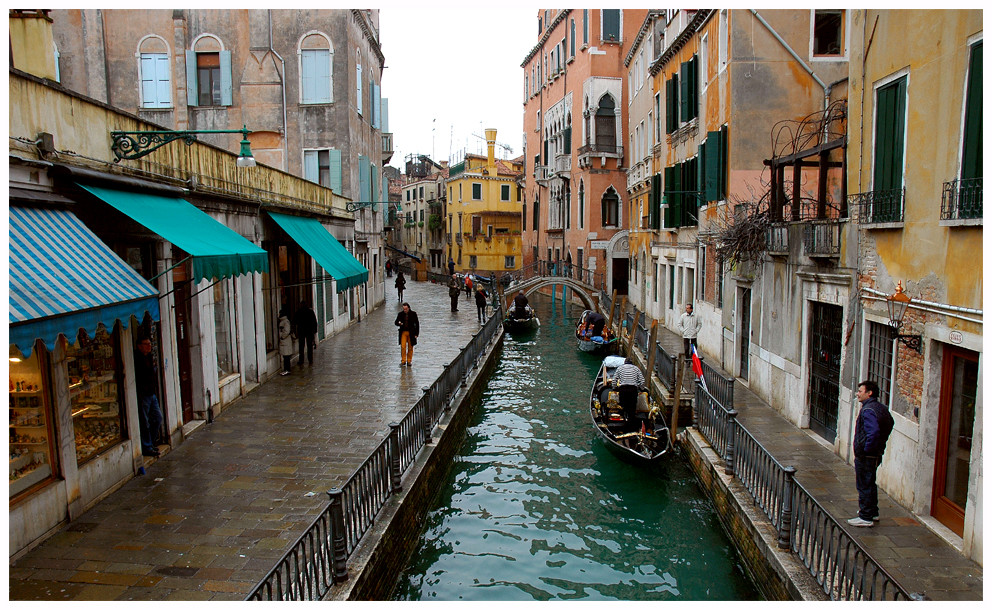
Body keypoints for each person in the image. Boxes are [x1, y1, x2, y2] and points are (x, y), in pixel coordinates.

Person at [848, 380, 894, 527]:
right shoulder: (880, 408)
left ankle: (866, 516)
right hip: (875, 454)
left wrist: (866, 450)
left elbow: (873, 433)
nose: (857, 394)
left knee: (864, 485)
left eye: (860, 391)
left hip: (867, 455)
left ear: (869, 393)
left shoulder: (868, 410)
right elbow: (890, 422)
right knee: (870, 482)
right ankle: (873, 512)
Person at [134, 336, 164, 457]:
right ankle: (147, 446)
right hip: (143, 395)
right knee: (144, 422)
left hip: (151, 394)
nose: (149, 346)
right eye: (146, 344)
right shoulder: (137, 359)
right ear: (139, 346)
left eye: (150, 344)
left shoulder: (149, 357)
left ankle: (150, 443)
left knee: (157, 418)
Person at [612, 358, 646, 428]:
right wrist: (641, 389)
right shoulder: (636, 369)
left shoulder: (620, 368)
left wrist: (614, 388)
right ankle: (631, 424)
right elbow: (642, 381)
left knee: (623, 405)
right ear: (632, 363)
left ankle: (623, 422)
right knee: (632, 407)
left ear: (625, 363)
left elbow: (614, 380)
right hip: (633, 390)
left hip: (623, 389)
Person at [394, 302, 420, 366]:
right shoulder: (400, 314)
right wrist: (399, 323)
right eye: (404, 309)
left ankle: (409, 360)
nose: (405, 310)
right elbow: (396, 322)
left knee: (410, 347)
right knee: (403, 346)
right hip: (403, 332)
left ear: (408, 308)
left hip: (411, 333)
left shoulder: (413, 314)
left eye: (406, 309)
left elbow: (417, 324)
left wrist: (416, 334)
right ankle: (403, 360)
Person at [293, 301, 317, 366]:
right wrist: (314, 331)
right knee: (309, 346)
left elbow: (295, 321)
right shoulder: (310, 312)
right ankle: (310, 360)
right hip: (309, 332)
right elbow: (314, 322)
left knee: (301, 347)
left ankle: (301, 360)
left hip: (301, 331)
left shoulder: (299, 312)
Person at [278, 306, 294, 376]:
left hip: (285, 342)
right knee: (285, 356)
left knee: (286, 357)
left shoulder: (285, 322)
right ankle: (286, 369)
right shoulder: (283, 321)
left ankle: (287, 370)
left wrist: (282, 337)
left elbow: (287, 331)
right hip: (284, 342)